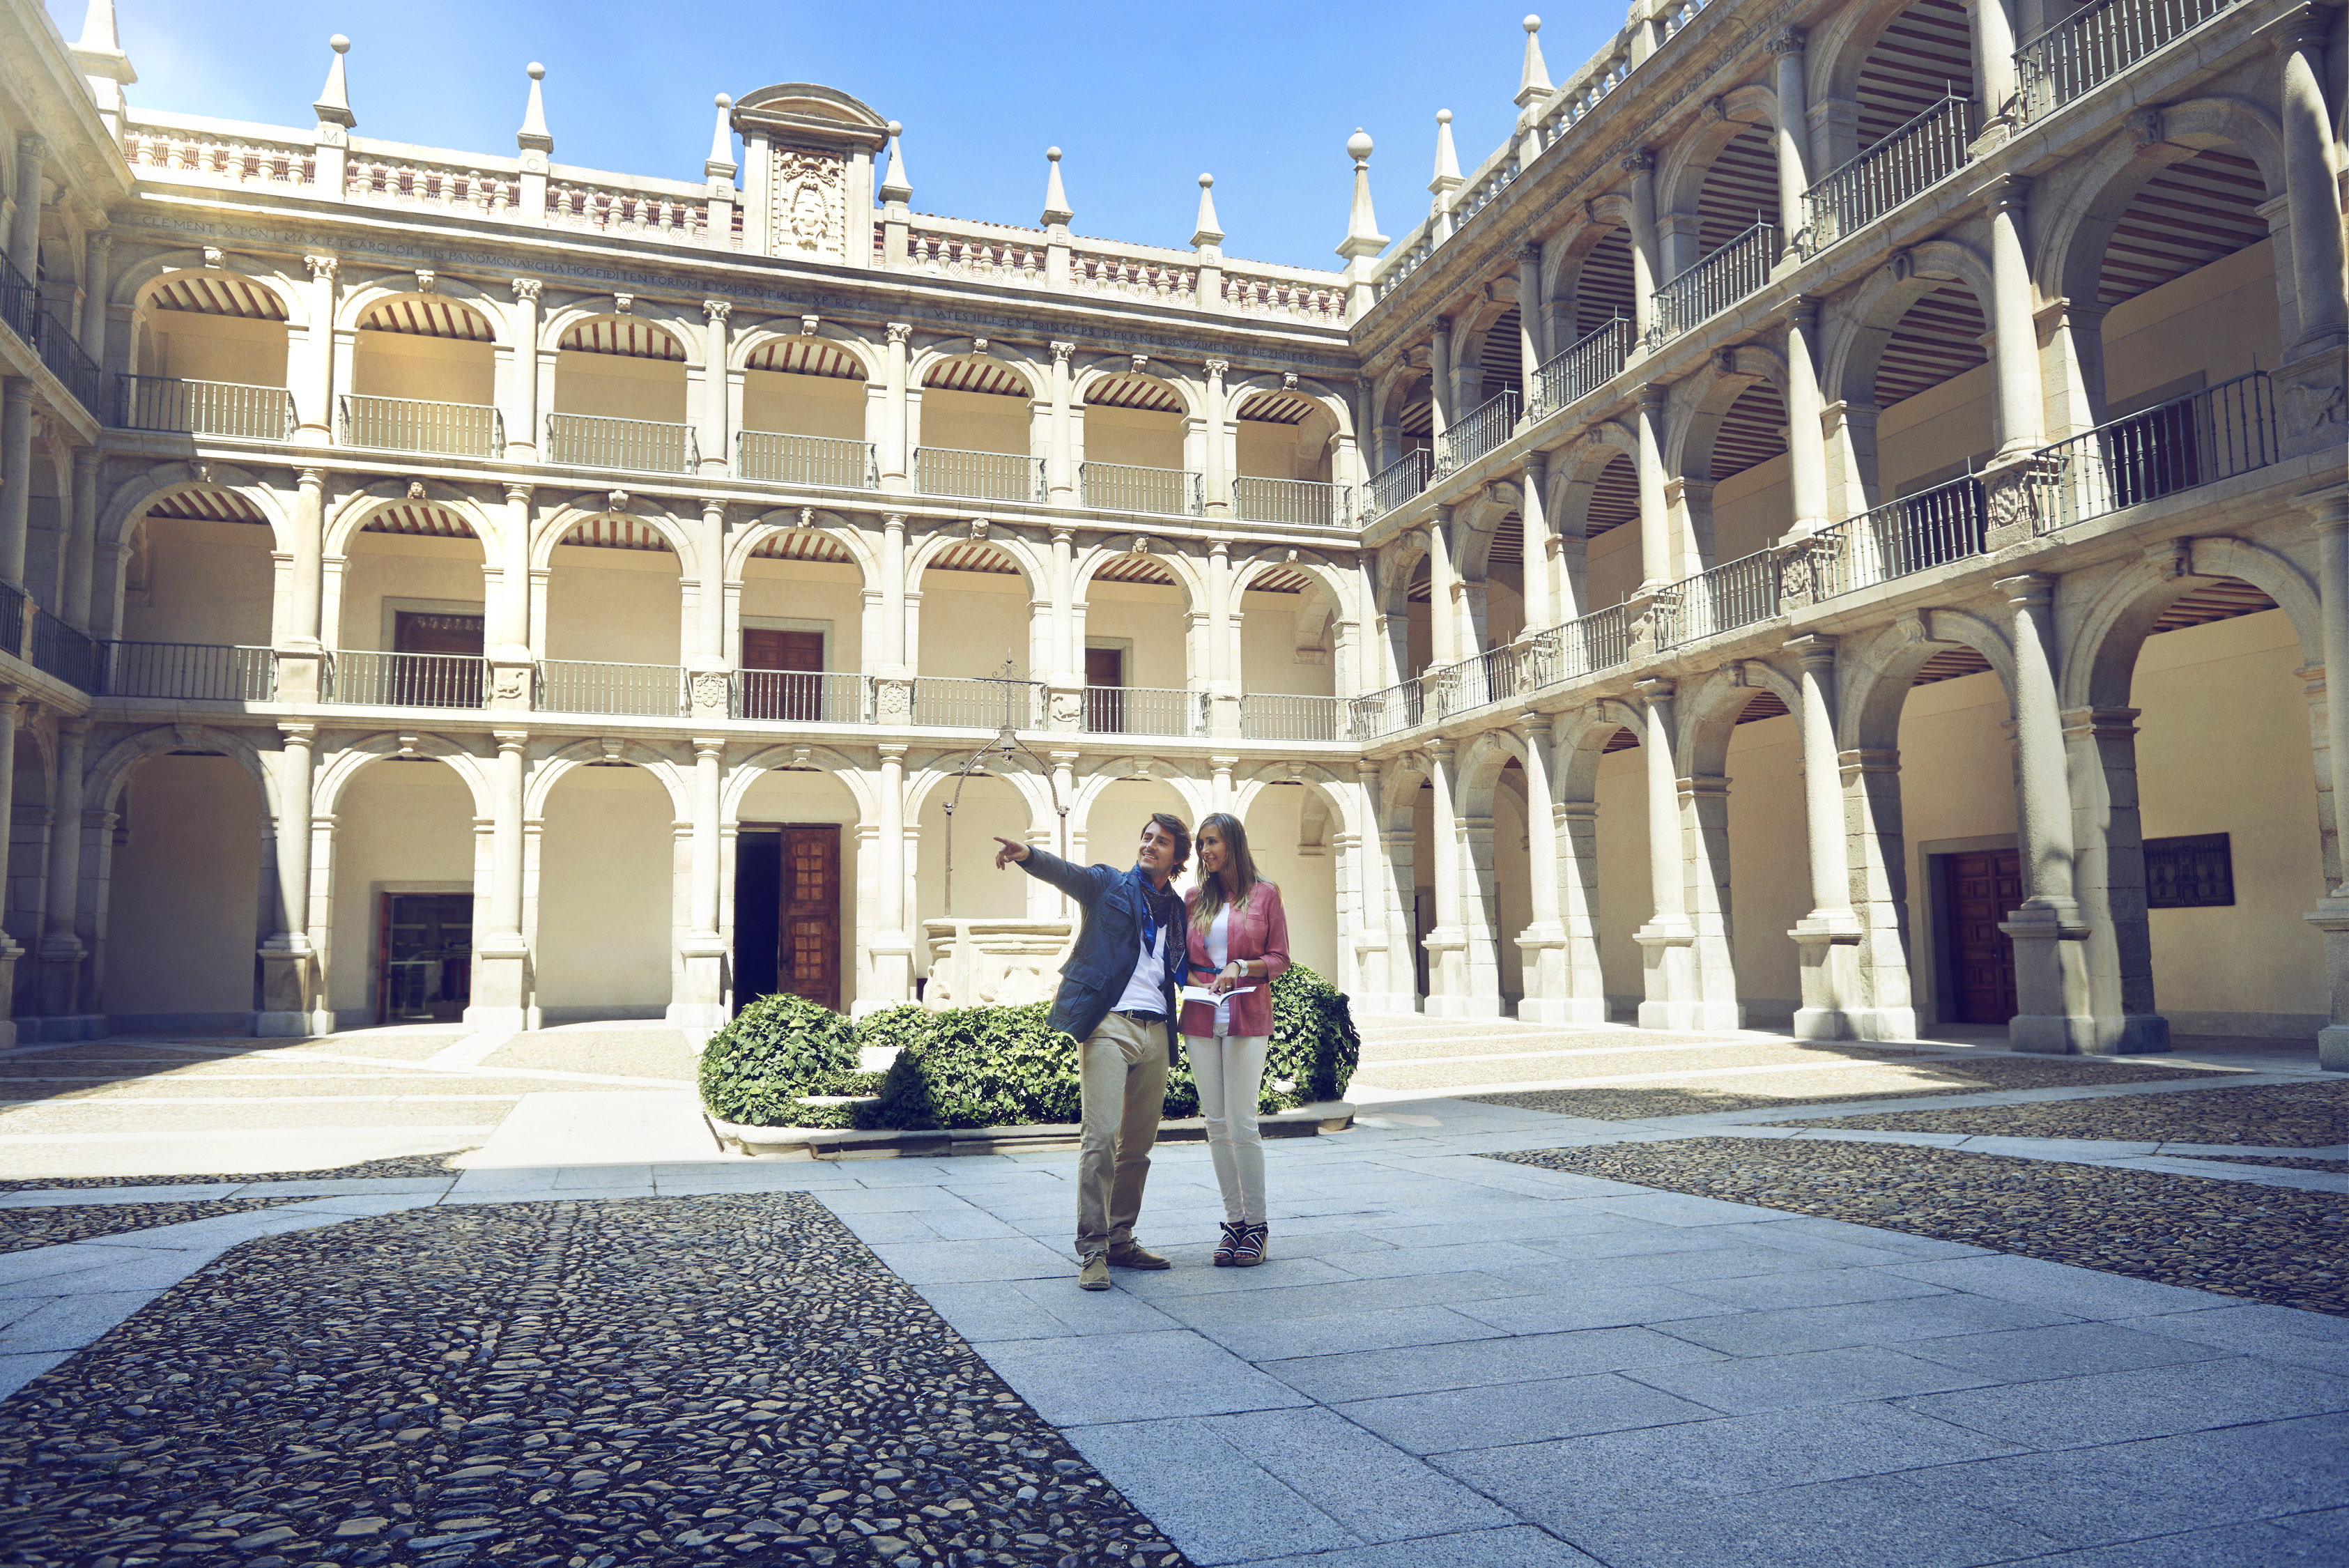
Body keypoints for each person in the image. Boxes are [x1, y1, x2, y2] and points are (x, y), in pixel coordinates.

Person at [995, 813, 1189, 1291]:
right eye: (1145, 837)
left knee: (1137, 1147)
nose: (1149, 845)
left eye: (1161, 842)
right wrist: (1029, 857)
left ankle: (1121, 1239)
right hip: (1110, 1023)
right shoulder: (1109, 885)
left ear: (1177, 856)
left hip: (1157, 1029)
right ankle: (1093, 1251)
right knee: (1100, 1137)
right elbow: (1070, 875)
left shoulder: (1177, 909)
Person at [1180, 813, 1289, 1267]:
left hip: (1246, 1012)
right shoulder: (1192, 899)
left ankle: (1257, 1225)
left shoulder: (1265, 894)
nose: (1204, 852)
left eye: (1212, 843)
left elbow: (1280, 958)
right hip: (1201, 1015)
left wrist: (1241, 968)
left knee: (1242, 1122)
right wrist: (1190, 979)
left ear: (1233, 845)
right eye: (1201, 844)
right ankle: (1233, 1225)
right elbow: (1178, 959)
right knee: (1214, 1123)